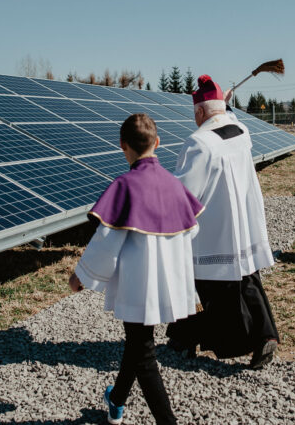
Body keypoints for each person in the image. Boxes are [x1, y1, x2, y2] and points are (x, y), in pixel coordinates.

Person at [68, 113, 204, 425]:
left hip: (138, 283)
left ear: (122, 146)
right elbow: (190, 232)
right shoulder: (174, 185)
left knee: (143, 353)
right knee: (137, 342)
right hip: (167, 280)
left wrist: (81, 276)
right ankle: (116, 401)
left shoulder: (124, 186)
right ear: (158, 143)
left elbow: (106, 241)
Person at [166, 74, 280, 369]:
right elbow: (224, 119)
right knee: (247, 279)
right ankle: (266, 335)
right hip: (242, 224)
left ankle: (194, 338)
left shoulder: (199, 143)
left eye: (196, 113)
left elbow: (184, 194)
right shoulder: (240, 130)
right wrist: (225, 106)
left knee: (212, 296)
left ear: (200, 111)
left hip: (212, 233)